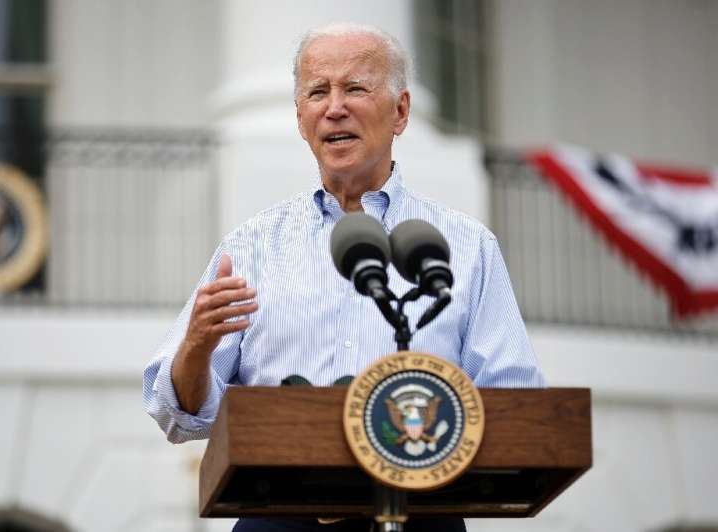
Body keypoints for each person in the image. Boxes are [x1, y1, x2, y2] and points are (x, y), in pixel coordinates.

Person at [144, 22, 544, 532]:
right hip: (282, 517)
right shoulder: (249, 247)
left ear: (400, 111)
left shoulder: (466, 247)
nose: (334, 107)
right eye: (317, 92)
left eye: (355, 88)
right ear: (300, 118)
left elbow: (519, 406)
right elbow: (177, 415)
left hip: (423, 513)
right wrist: (197, 346)